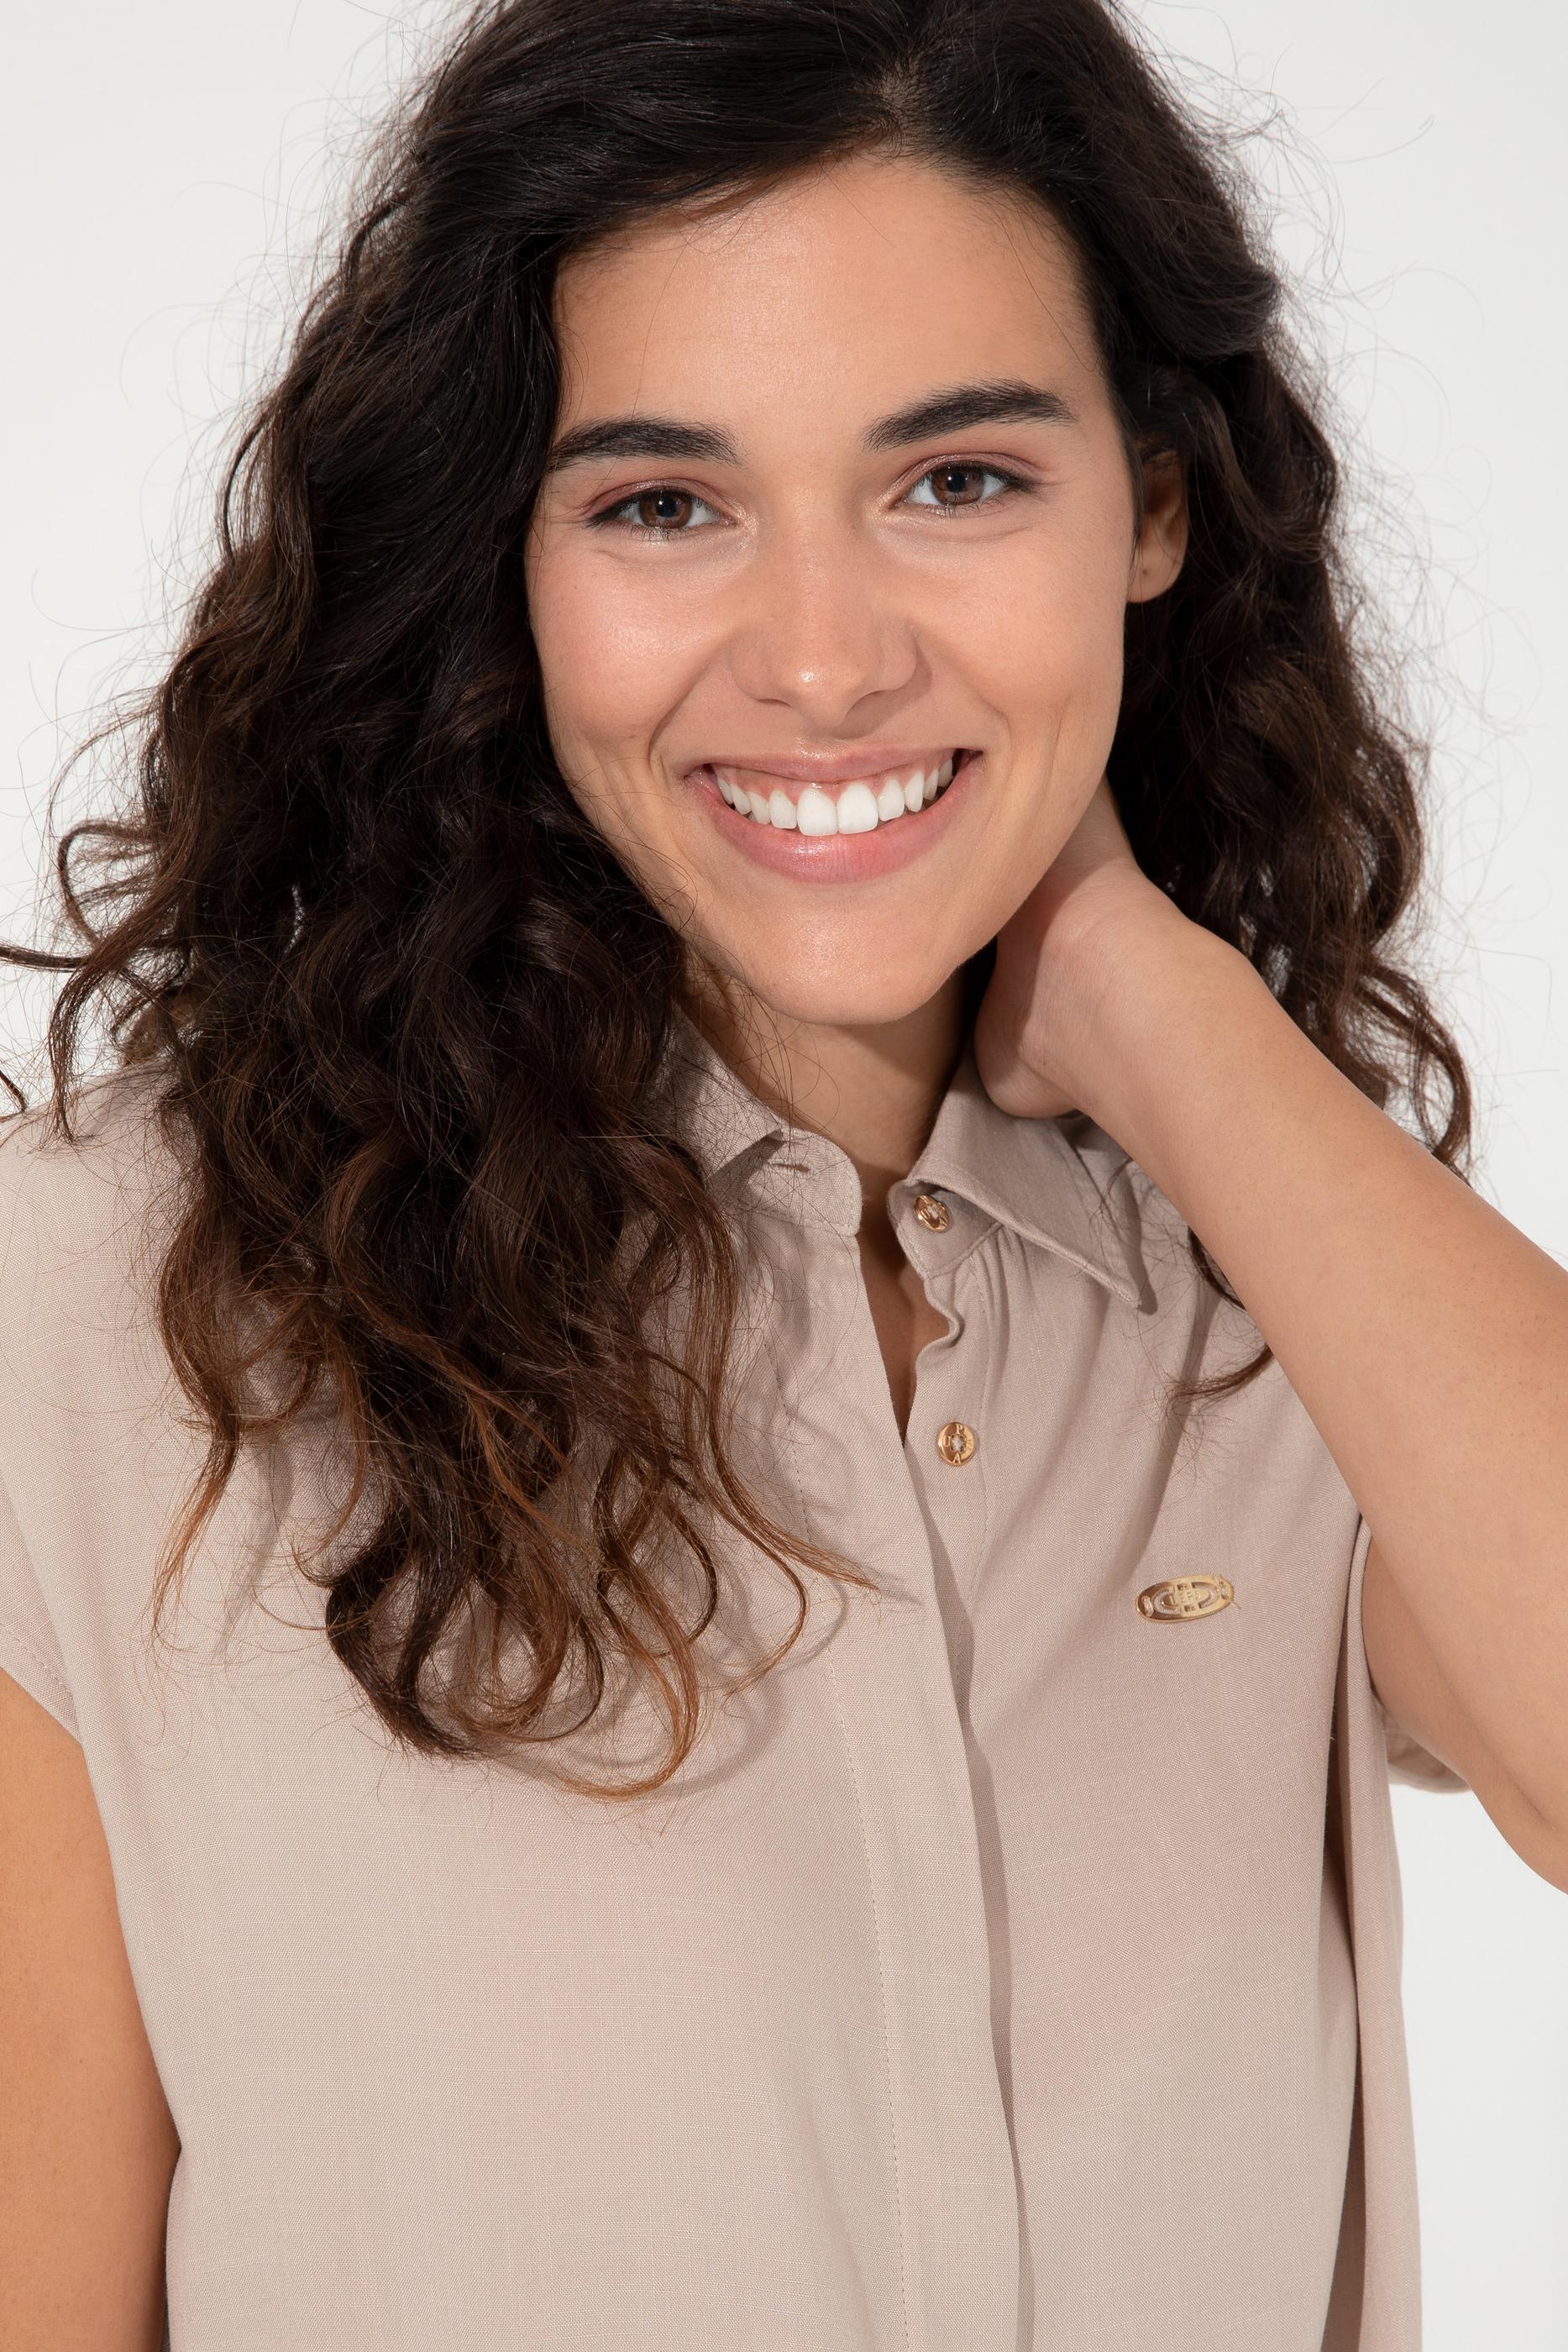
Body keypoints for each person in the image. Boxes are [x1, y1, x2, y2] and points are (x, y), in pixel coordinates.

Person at [3, 0, 1565, 2345]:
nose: (823, 663)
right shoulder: (105, 1308)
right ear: (504, 561)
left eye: (959, 481)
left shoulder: (1276, 1290)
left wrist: (1155, 1005)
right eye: (663, 505)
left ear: (1153, 505)